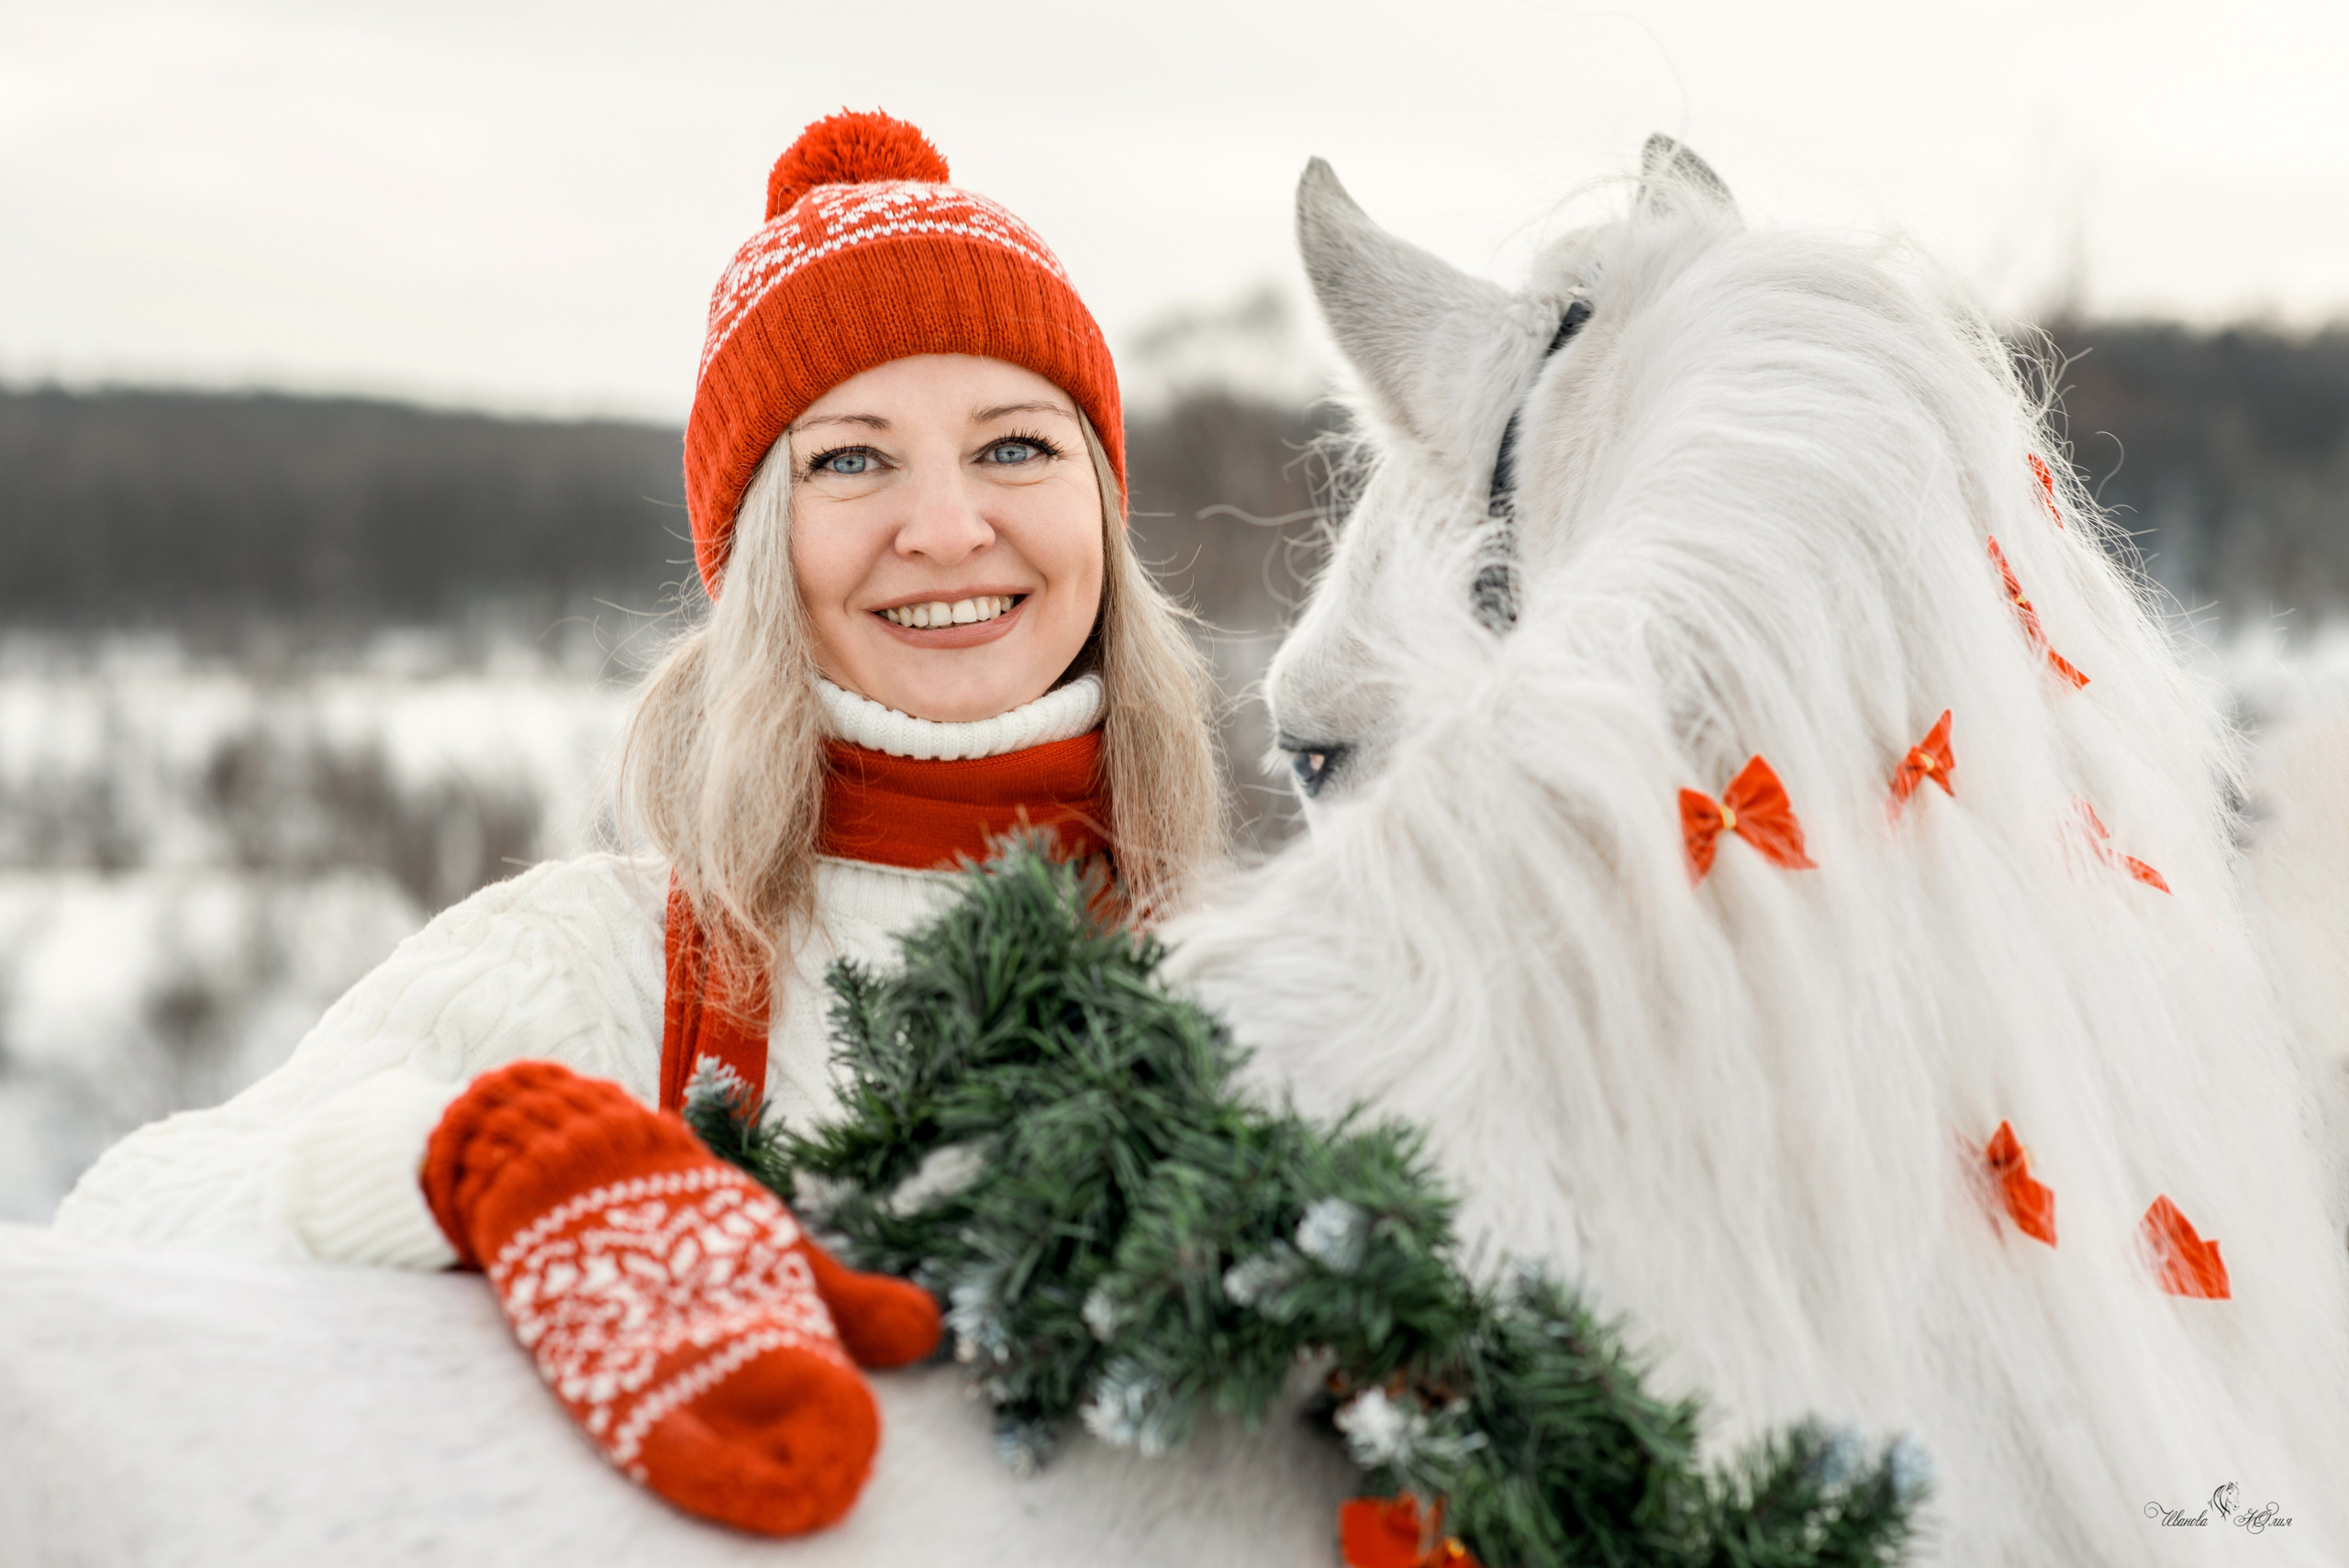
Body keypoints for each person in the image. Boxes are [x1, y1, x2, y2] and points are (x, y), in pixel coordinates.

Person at [53, 110, 1225, 1536]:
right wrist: (460, 1165)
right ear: (751, 553)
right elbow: (117, 1236)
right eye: (849, 461)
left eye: (1016, 446)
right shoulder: (591, 964)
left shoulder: (1249, 972)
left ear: (1101, 506)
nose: (944, 525)